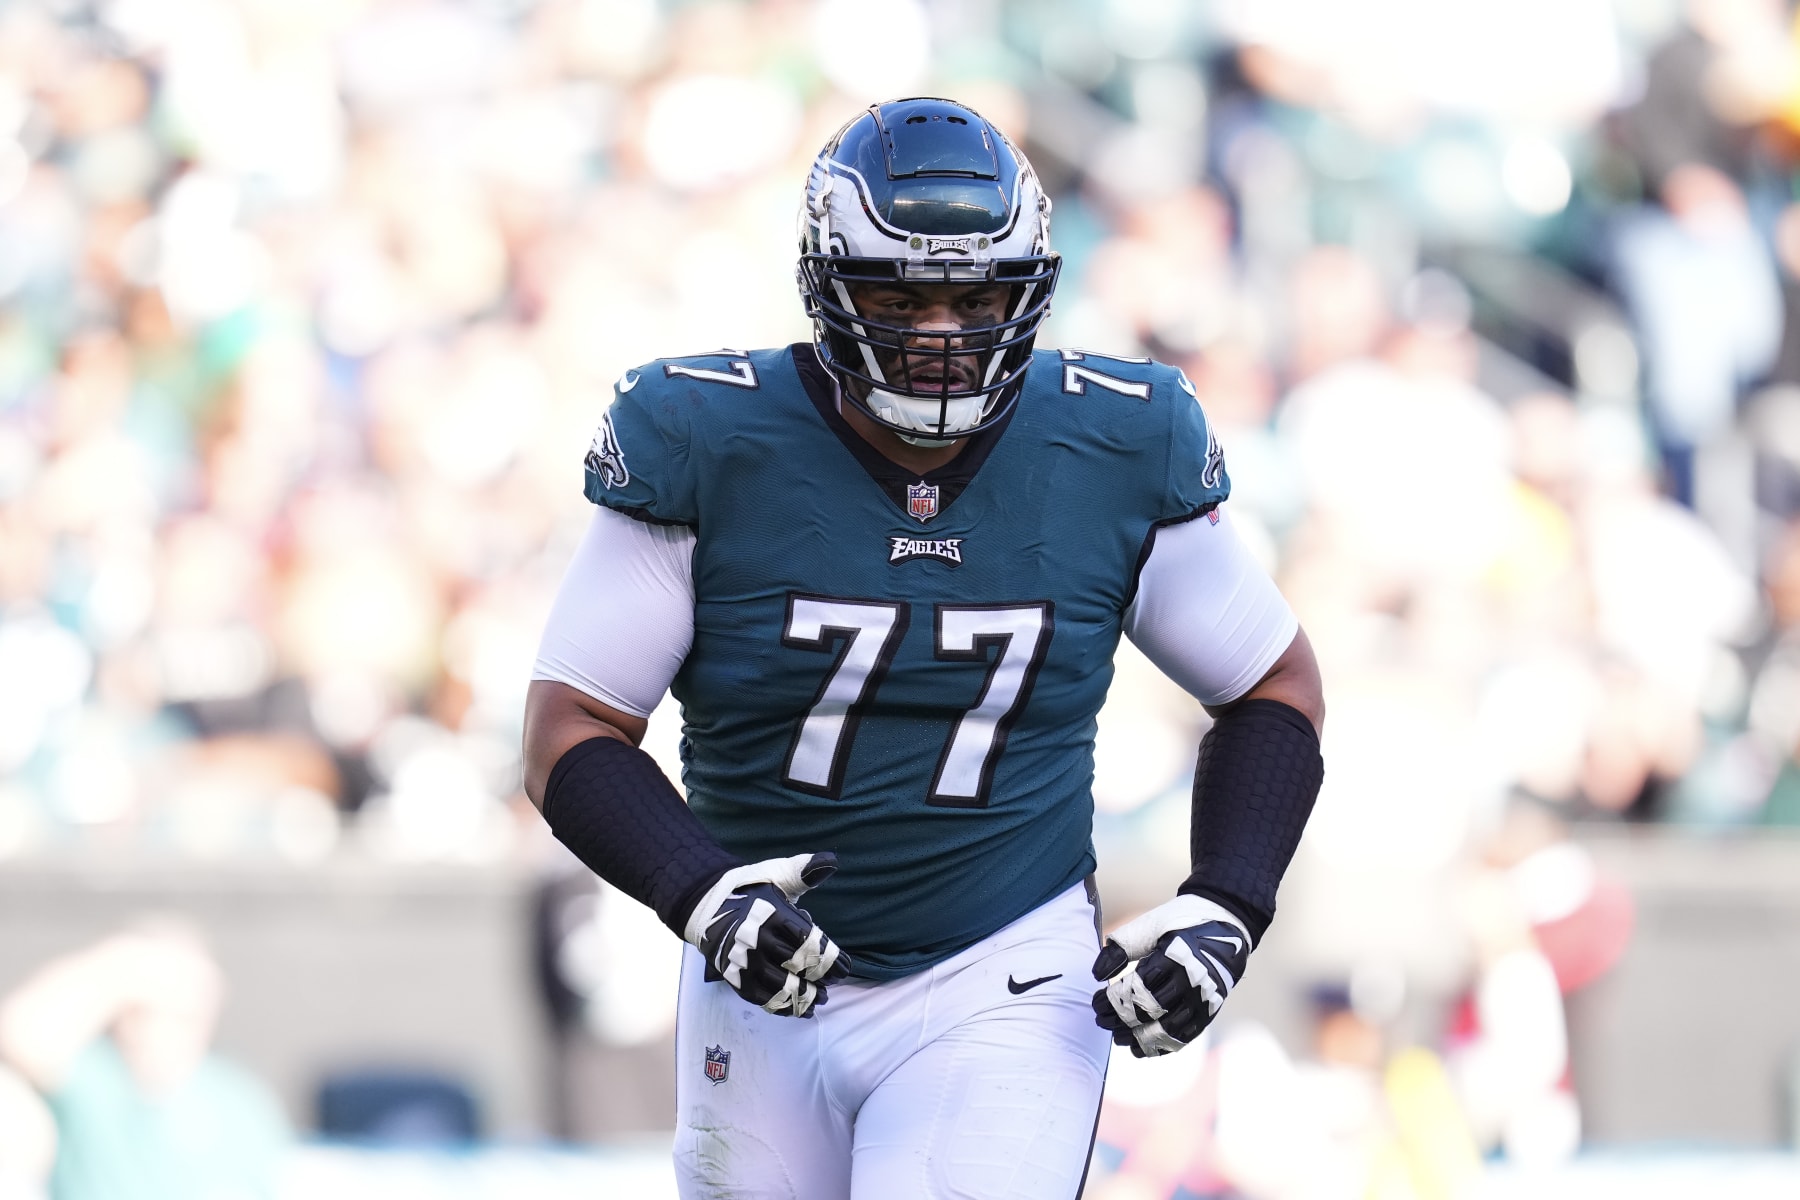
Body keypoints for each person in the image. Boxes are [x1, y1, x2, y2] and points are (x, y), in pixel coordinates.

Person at [523, 96, 1326, 1199]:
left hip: (1003, 967)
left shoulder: (1116, 438)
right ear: (828, 284)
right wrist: (698, 892)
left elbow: (1272, 683)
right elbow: (571, 727)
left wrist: (1230, 901)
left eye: (976, 296)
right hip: (764, 971)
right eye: (901, 295)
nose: (941, 334)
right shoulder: (707, 437)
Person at [0, 922, 289, 1200]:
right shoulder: (94, 1078)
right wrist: (120, 963)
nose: (158, 1027)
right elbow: (21, 1035)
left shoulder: (240, 1097)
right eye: (142, 1008)